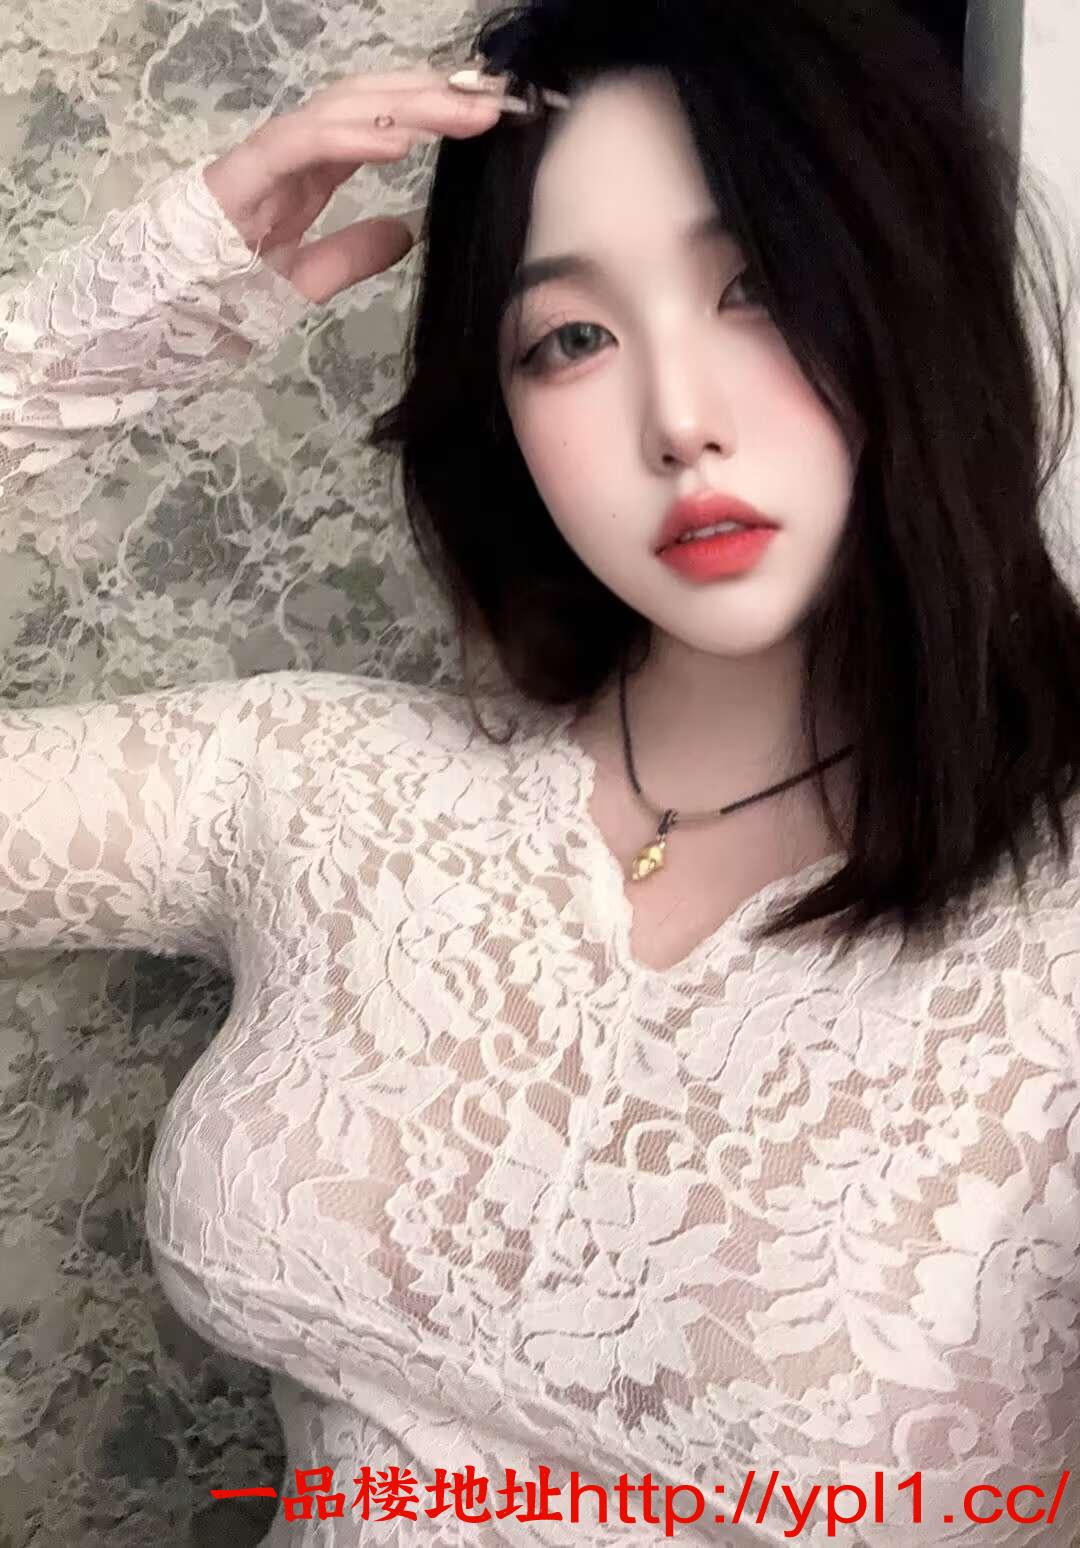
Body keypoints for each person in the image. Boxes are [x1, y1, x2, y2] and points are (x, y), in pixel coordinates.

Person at [2, 0, 1080, 1542]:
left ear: (912, 290)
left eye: (759, 288)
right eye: (572, 338)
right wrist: (113, 332)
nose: (680, 423)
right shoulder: (323, 787)